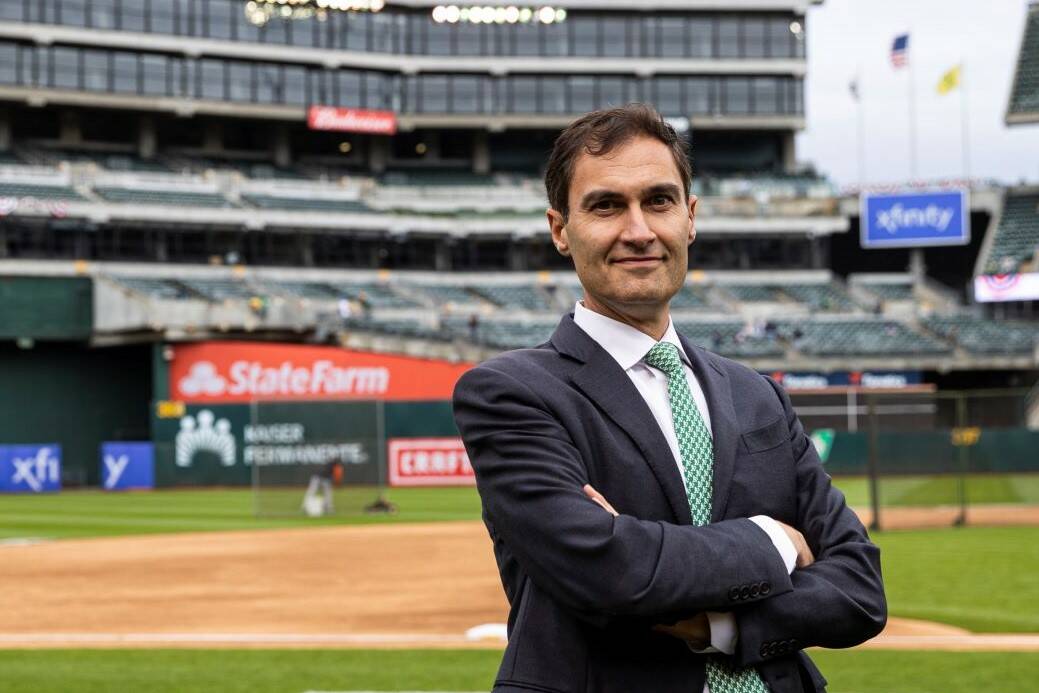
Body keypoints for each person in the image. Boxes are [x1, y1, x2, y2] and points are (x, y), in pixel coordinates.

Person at [452, 104, 885, 693]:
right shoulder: (511, 393)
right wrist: (775, 540)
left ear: (689, 218)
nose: (638, 231)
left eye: (658, 201)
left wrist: (720, 625)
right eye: (606, 205)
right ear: (560, 229)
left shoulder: (758, 396)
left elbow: (860, 589)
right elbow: (608, 570)